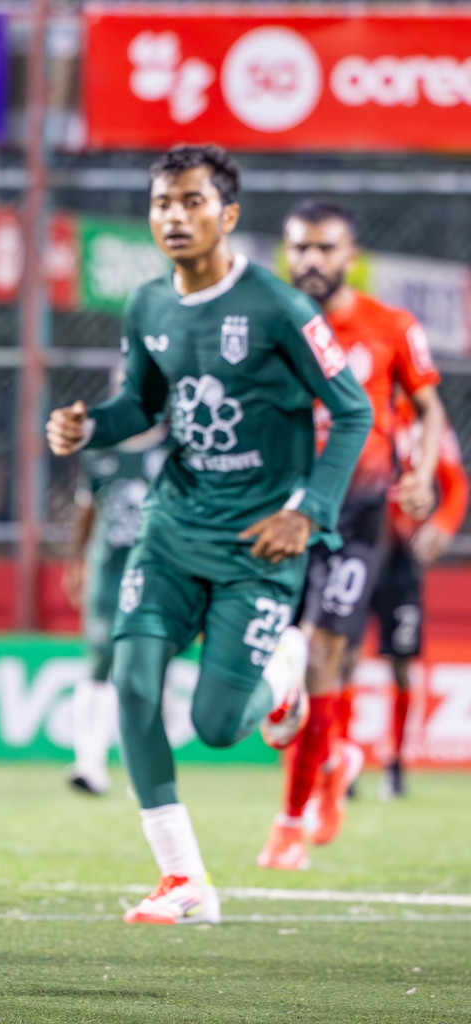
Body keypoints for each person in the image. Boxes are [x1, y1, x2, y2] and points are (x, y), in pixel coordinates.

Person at [46, 145, 370, 926]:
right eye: (163, 202)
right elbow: (141, 405)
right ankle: (183, 878)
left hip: (260, 543)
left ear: (228, 216)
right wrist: (90, 426)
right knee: (133, 680)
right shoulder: (147, 305)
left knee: (219, 727)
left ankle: (284, 672)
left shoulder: (280, 308)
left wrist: (308, 511)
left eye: (192, 202)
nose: (174, 216)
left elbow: (353, 409)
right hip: (172, 529)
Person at [257, 201, 445, 869]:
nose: (311, 260)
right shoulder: (271, 326)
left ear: (351, 256)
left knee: (322, 656)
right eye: (299, 248)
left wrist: (422, 474)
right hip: (282, 513)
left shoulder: (391, 326)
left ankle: (290, 821)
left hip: (358, 518)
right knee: (287, 662)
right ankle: (334, 758)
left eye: (325, 248)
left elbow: (428, 409)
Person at [340, 397, 467, 800]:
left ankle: (395, 764)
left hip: (400, 556)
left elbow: (455, 484)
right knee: (342, 656)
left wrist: (443, 525)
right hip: (355, 546)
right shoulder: (355, 405)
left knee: (401, 662)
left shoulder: (425, 420)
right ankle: (342, 763)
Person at [63, 421, 169, 796]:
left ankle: (146, 769)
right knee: (99, 665)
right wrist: (75, 562)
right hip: (109, 575)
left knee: (150, 670)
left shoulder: (177, 448)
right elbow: (87, 510)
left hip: (160, 574)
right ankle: (88, 764)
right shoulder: (100, 452)